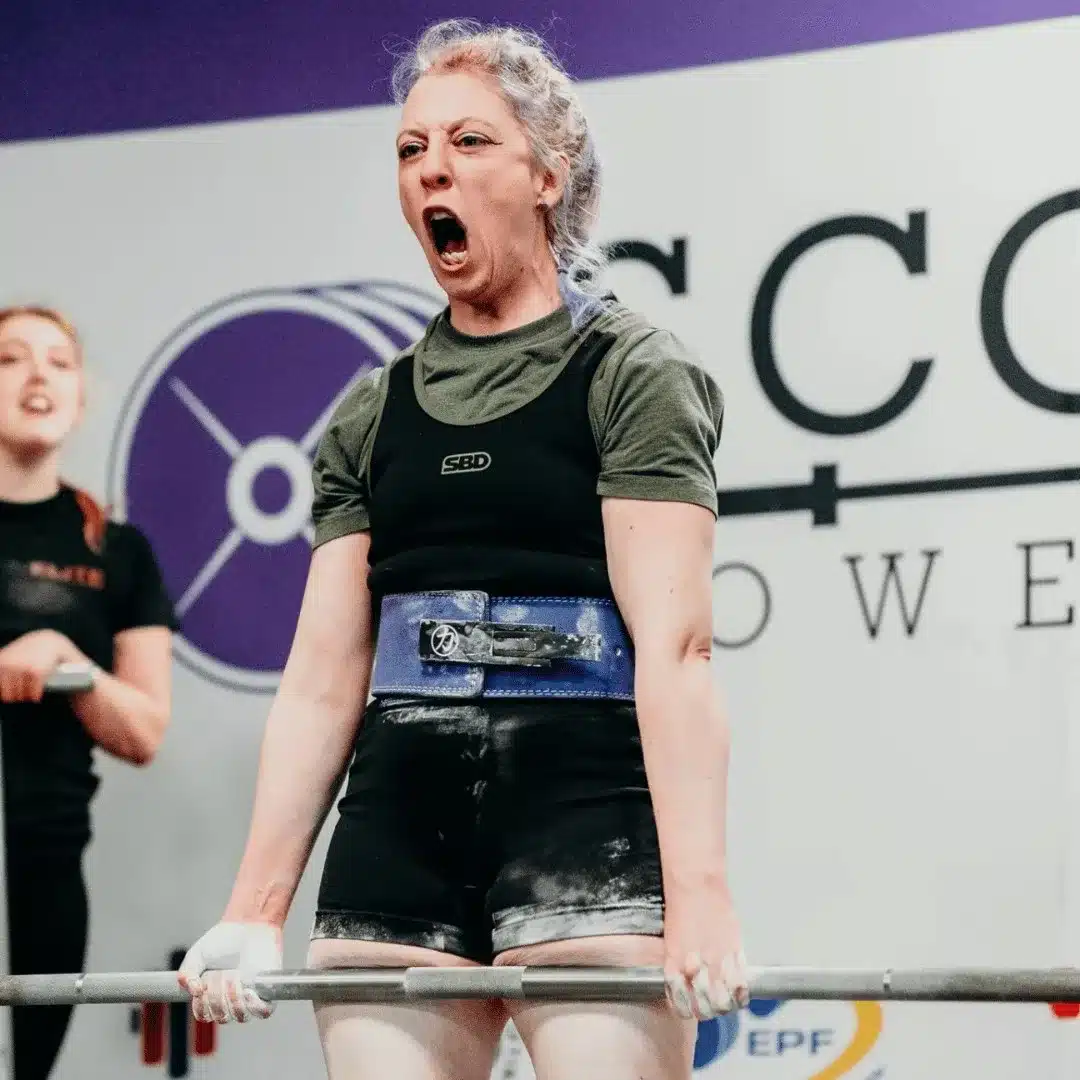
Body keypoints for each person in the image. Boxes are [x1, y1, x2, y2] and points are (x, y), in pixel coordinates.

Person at [178, 17, 748, 1080]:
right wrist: (252, 911)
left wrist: (702, 900)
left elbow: (677, 656)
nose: (432, 165)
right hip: (400, 826)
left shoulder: (636, 372)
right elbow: (321, 678)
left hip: (584, 819)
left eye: (470, 141)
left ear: (547, 173)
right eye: (410, 149)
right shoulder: (365, 413)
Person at [0, 306, 177, 1080]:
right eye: (10, 358)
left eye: (59, 363)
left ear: (80, 397)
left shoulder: (119, 549)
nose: (38, 375)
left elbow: (144, 730)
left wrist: (67, 658)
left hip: (46, 869)